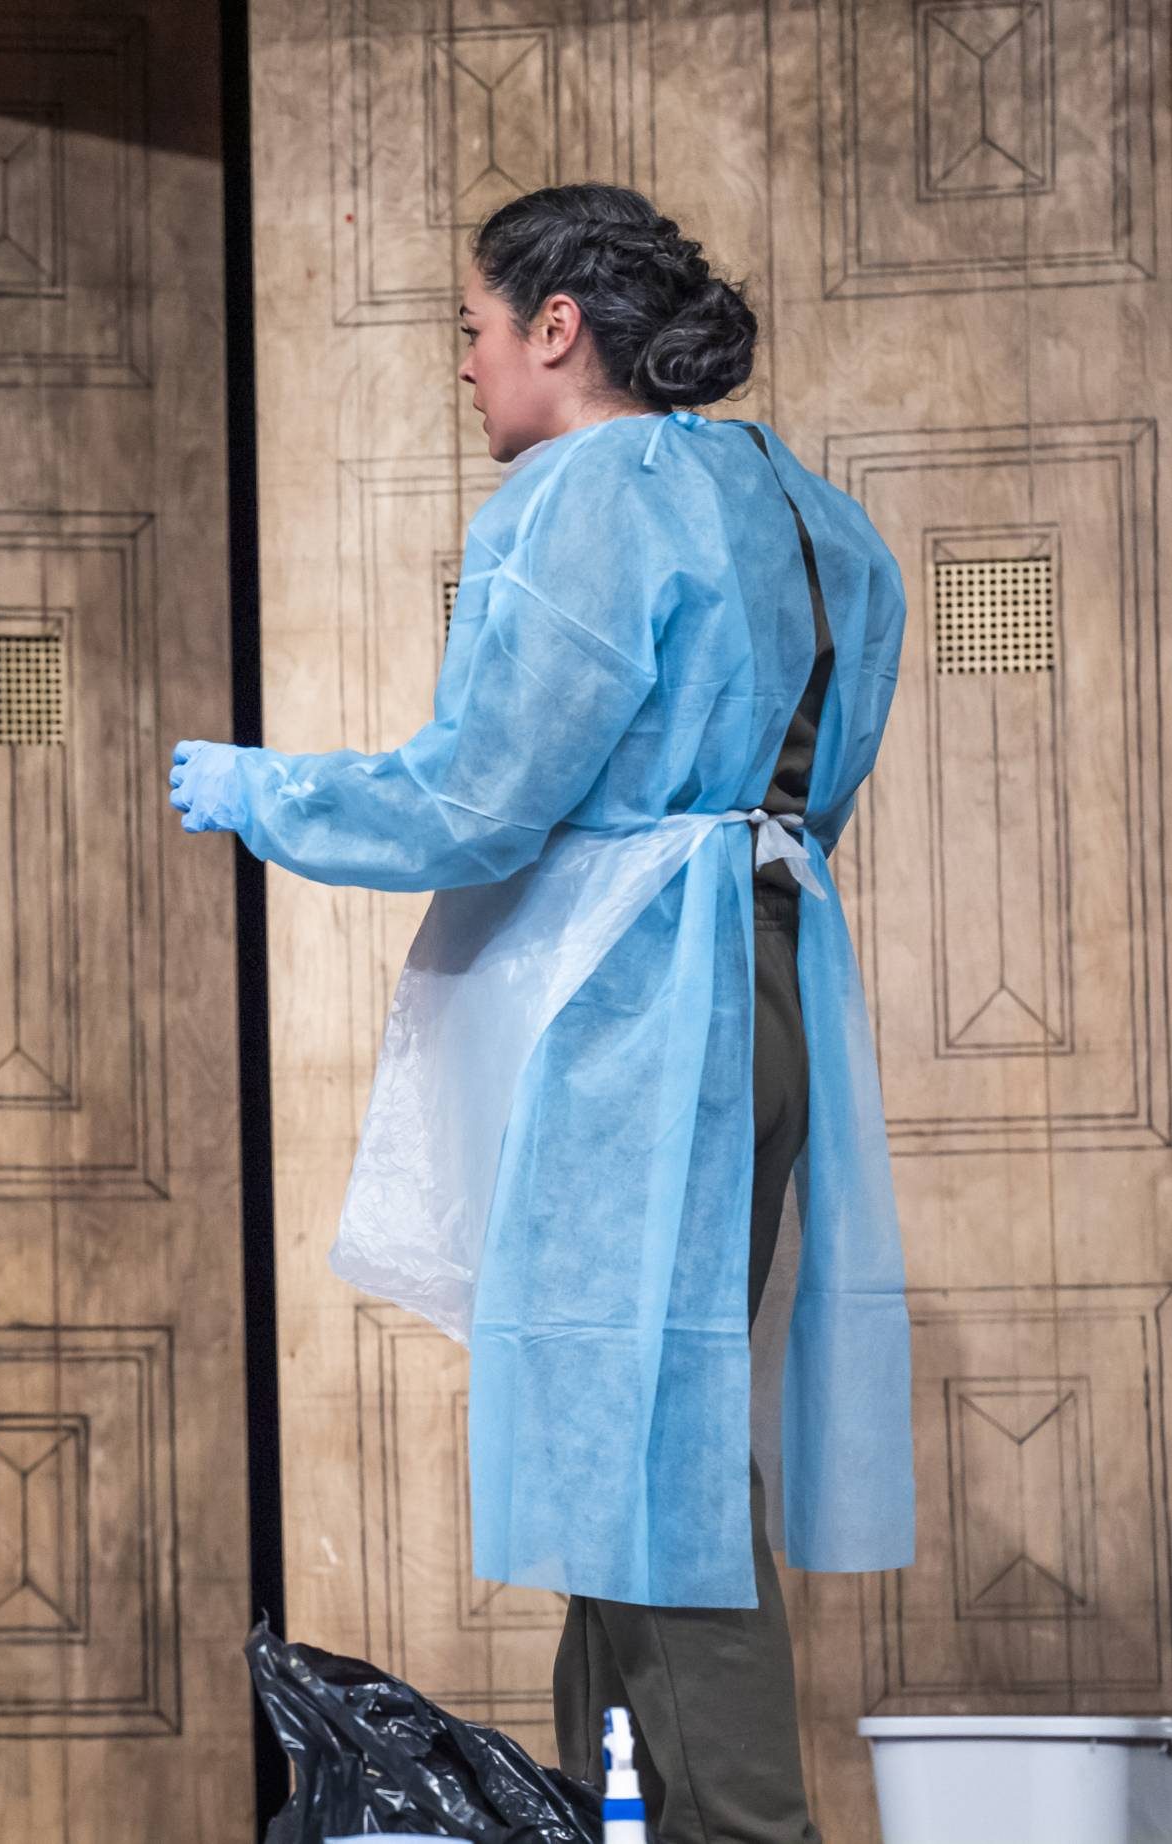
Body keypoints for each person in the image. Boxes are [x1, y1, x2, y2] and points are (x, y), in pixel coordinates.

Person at [169, 184, 915, 1842]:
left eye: (474, 328)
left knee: (648, 1468)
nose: (466, 365)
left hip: (648, 1018)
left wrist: (263, 792)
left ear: (557, 329)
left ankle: (739, 1834)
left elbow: (481, 797)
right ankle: (617, 1814)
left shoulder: (589, 494)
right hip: (774, 980)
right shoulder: (810, 512)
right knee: (623, 1456)